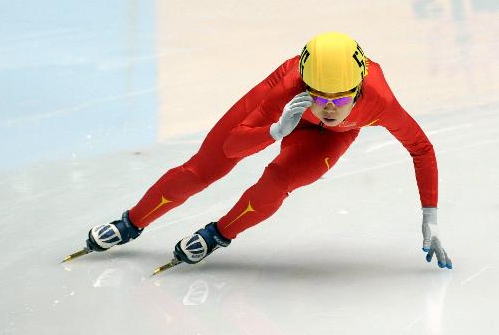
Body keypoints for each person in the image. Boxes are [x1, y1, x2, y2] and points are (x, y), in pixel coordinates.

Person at [85, 32, 452, 270]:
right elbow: (231, 146)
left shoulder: (381, 102)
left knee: (277, 180)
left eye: (339, 98)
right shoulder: (289, 88)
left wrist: (430, 215)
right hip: (282, 116)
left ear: (357, 90)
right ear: (305, 83)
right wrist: (275, 130)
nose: (327, 107)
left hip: (328, 139)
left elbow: (421, 148)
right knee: (202, 169)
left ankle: (218, 234)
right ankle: (131, 222)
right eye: (318, 95)